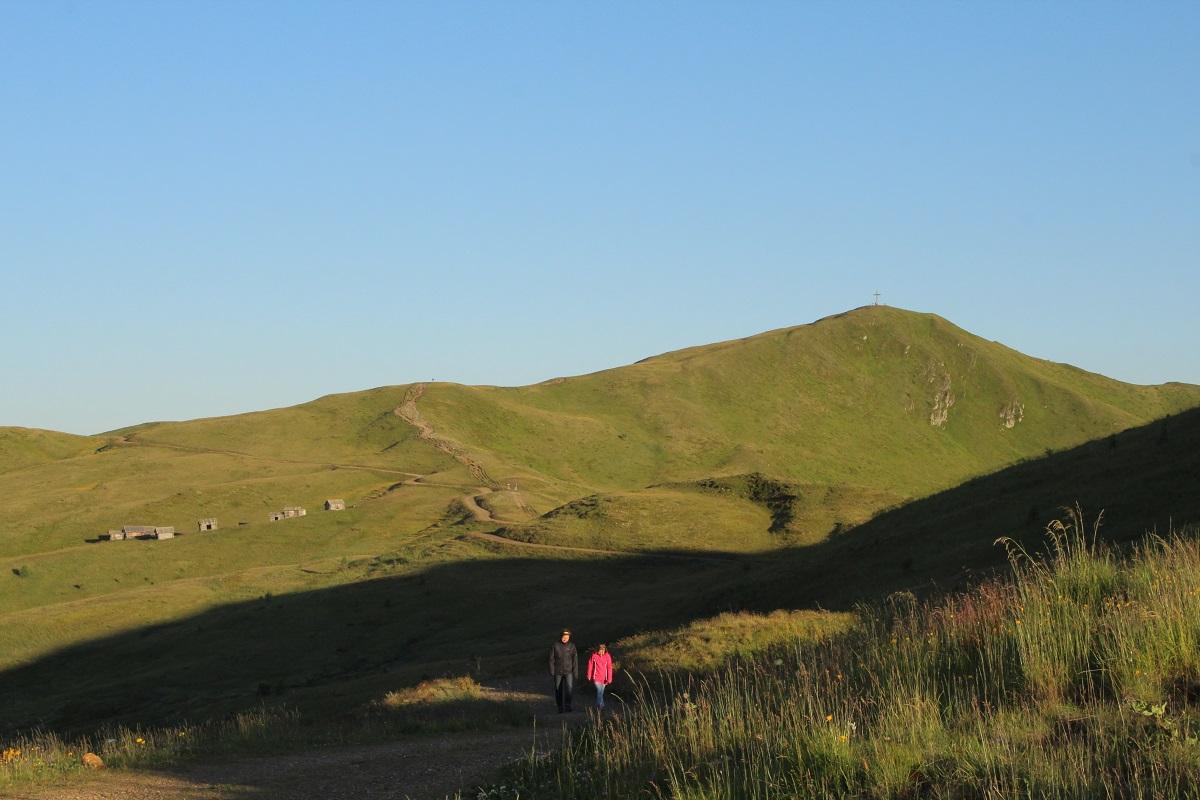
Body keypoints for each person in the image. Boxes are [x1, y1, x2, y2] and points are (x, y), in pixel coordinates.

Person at [549, 628, 578, 713]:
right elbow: (551, 659)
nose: (565, 638)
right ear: (561, 636)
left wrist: (575, 672)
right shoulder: (555, 645)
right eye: (564, 636)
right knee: (558, 689)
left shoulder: (572, 646)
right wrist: (552, 670)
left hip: (569, 671)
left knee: (569, 689)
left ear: (569, 637)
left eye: (567, 636)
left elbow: (575, 660)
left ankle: (568, 705)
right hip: (558, 671)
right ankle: (560, 707)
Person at [587, 643, 613, 710]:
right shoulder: (594, 655)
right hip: (596, 677)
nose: (601, 652)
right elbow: (590, 665)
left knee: (601, 693)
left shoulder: (607, 656)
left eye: (603, 650)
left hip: (605, 678)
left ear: (605, 650)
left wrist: (609, 678)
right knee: (599, 691)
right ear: (597, 650)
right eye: (600, 650)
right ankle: (600, 706)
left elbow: (609, 667)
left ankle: (600, 705)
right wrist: (589, 675)